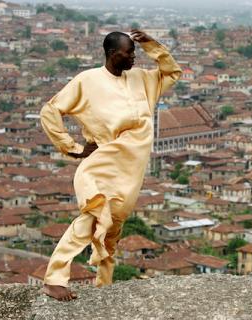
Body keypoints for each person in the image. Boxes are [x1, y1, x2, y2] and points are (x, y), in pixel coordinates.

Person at [39, 29, 182, 301]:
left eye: (134, 51)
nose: (133, 57)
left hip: (131, 168)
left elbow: (172, 72)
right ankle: (54, 277)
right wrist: (74, 149)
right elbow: (51, 111)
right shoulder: (87, 81)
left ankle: (104, 283)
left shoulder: (141, 79)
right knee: (96, 214)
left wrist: (151, 45)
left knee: (114, 224)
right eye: (129, 52)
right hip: (105, 161)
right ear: (112, 53)